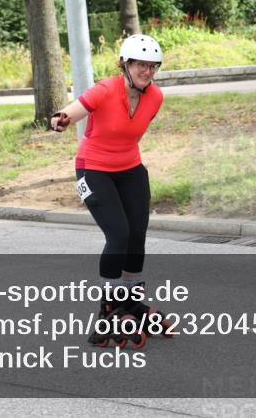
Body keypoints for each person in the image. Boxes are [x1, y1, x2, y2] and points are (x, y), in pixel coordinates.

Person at [49, 33, 173, 347]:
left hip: (130, 168)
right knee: (118, 234)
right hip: (92, 169)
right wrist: (61, 118)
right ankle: (108, 309)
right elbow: (77, 108)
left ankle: (130, 302)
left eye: (152, 66)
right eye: (140, 65)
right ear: (125, 64)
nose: (147, 71)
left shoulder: (155, 97)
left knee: (136, 235)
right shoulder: (106, 89)